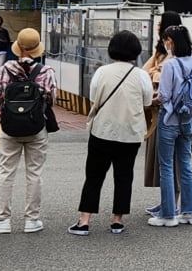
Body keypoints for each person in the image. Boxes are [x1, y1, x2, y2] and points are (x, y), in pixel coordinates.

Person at [68, 30, 153, 236]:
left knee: (94, 176)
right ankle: (117, 221)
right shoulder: (141, 75)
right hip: (130, 133)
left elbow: (93, 97)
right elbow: (147, 102)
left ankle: (84, 221)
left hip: (102, 131)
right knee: (124, 176)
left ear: (112, 49)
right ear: (135, 51)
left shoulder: (101, 72)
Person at [0, 28, 57, 235]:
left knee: (6, 173)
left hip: (9, 128)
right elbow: (51, 100)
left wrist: (9, 113)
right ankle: (32, 220)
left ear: (19, 48)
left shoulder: (6, 69)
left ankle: (2, 220)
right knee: (34, 174)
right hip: (36, 127)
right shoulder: (46, 71)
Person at [148, 25, 192, 227]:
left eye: (166, 40)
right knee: (186, 165)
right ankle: (191, 211)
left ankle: (168, 214)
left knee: (167, 167)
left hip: (169, 120)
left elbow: (164, 95)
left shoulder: (170, 65)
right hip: (187, 119)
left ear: (171, 41)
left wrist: (153, 99)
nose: (164, 44)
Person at [142, 11, 182, 216]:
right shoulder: (160, 52)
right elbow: (145, 71)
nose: (157, 27)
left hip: (169, 114)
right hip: (158, 113)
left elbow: (158, 76)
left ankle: (172, 204)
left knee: (171, 161)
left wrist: (154, 74)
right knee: (161, 161)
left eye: (160, 24)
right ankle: (166, 201)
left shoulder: (177, 54)